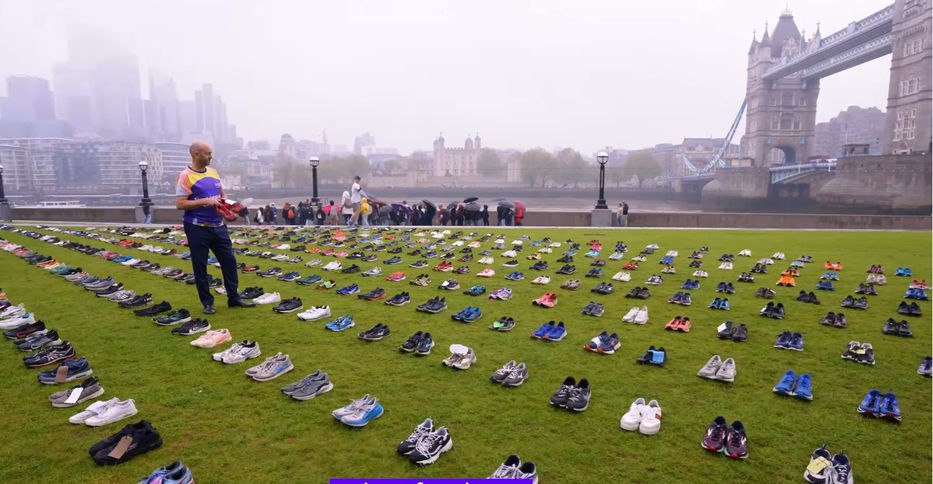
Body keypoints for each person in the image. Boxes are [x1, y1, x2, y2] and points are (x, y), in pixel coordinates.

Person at [174, 141, 255, 314]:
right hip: (197, 227)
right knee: (200, 266)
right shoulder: (185, 176)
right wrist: (206, 201)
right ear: (196, 154)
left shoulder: (213, 172)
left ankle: (234, 298)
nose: (211, 157)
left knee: (230, 261)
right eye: (208, 153)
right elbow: (180, 204)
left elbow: (221, 195)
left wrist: (232, 206)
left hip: (218, 226)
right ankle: (207, 303)